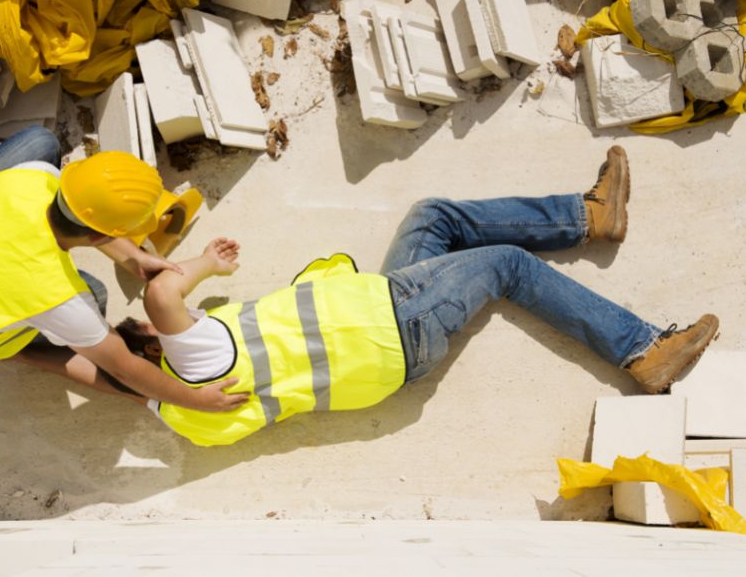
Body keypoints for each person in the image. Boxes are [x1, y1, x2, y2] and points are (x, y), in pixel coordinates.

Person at [115, 146, 719, 446]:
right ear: (154, 350)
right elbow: (164, 293)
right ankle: (642, 350)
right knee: (508, 265)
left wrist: (82, 357)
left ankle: (590, 216)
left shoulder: (181, 416)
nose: (182, 319)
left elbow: (110, 374)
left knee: (433, 217)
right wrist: (204, 265)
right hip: (393, 321)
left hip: (386, 334)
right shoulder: (196, 361)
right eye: (153, 332)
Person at [0, 126, 247, 412]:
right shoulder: (62, 299)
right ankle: (13, 349)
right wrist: (196, 400)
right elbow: (123, 369)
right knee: (97, 297)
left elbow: (84, 219)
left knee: (40, 141)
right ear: (103, 234)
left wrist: (133, 257)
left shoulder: (34, 176)